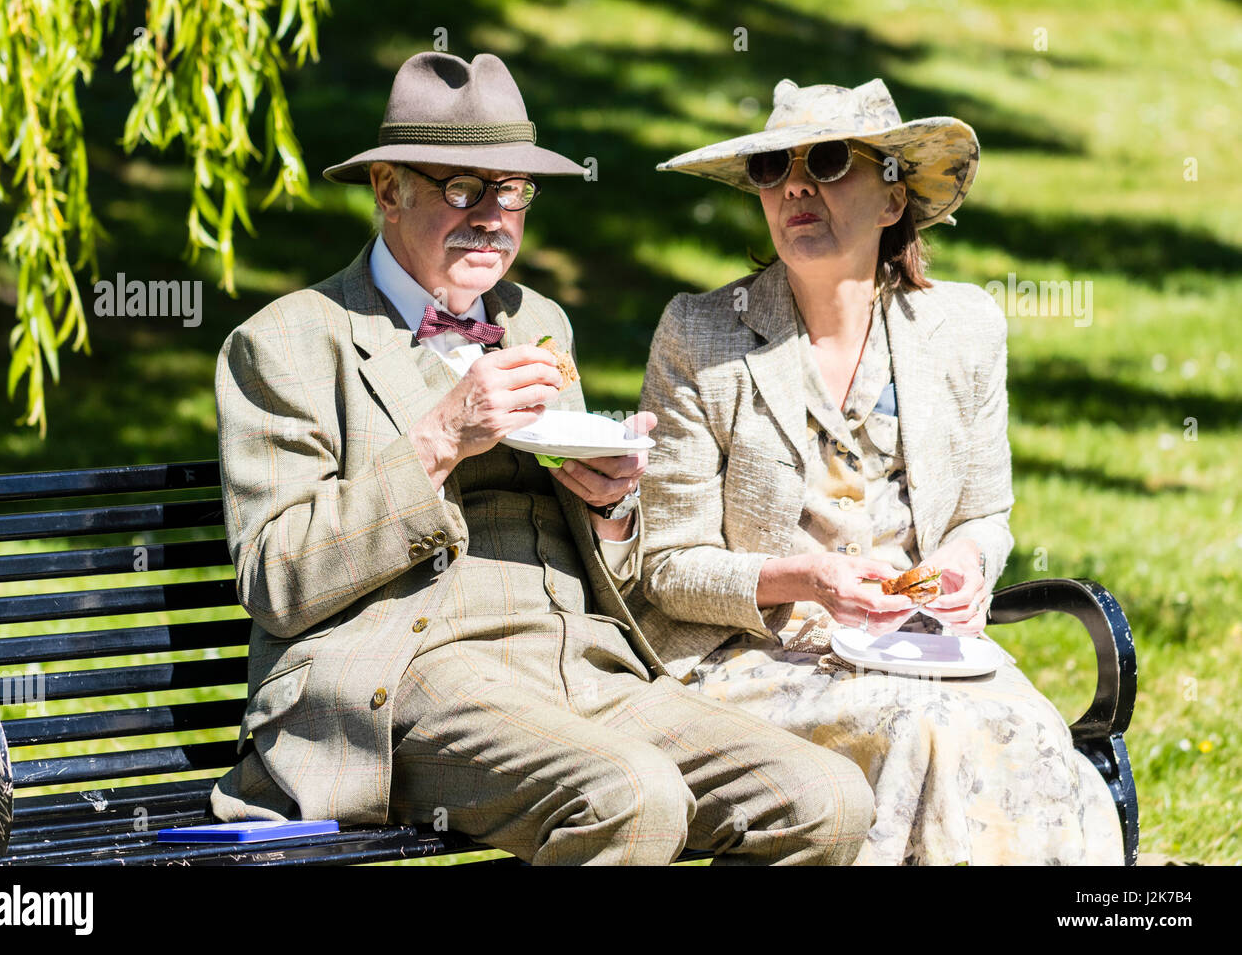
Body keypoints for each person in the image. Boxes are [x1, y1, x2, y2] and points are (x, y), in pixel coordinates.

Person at [209, 52, 874, 865]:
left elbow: (613, 567)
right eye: (463, 188)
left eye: (514, 191)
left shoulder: (536, 318)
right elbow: (276, 577)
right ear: (389, 191)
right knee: (629, 797)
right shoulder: (288, 340)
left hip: (581, 663)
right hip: (407, 674)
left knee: (825, 799)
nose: (493, 215)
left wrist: (611, 504)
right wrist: (438, 440)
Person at [629, 77, 1124, 864]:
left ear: (894, 202)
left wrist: (966, 563)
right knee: (922, 734)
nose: (795, 185)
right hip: (753, 656)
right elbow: (664, 566)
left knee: (1029, 736)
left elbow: (984, 517)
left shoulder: (962, 329)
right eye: (770, 169)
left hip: (924, 651)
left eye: (828, 160)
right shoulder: (701, 334)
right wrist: (807, 577)